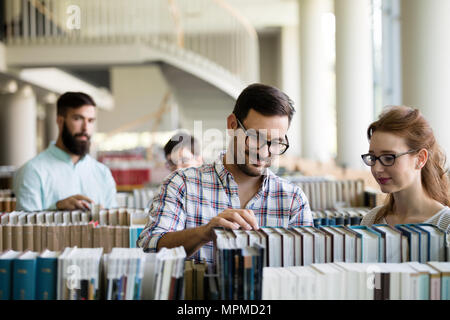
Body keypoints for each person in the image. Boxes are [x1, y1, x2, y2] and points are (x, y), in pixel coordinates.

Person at [138, 83, 313, 264]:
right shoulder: (180, 184)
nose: (264, 153)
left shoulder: (293, 200)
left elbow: (306, 270)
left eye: (276, 143)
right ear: (231, 124)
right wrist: (203, 233)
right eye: (255, 138)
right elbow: (149, 247)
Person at [14, 92, 117, 211]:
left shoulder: (103, 173)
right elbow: (26, 227)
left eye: (90, 121)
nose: (85, 128)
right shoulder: (32, 171)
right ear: (60, 121)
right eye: (78, 119)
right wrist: (57, 208)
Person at [360, 105, 450, 233]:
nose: (377, 169)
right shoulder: (371, 220)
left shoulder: (446, 225)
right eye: (373, 157)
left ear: (420, 159)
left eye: (388, 157)